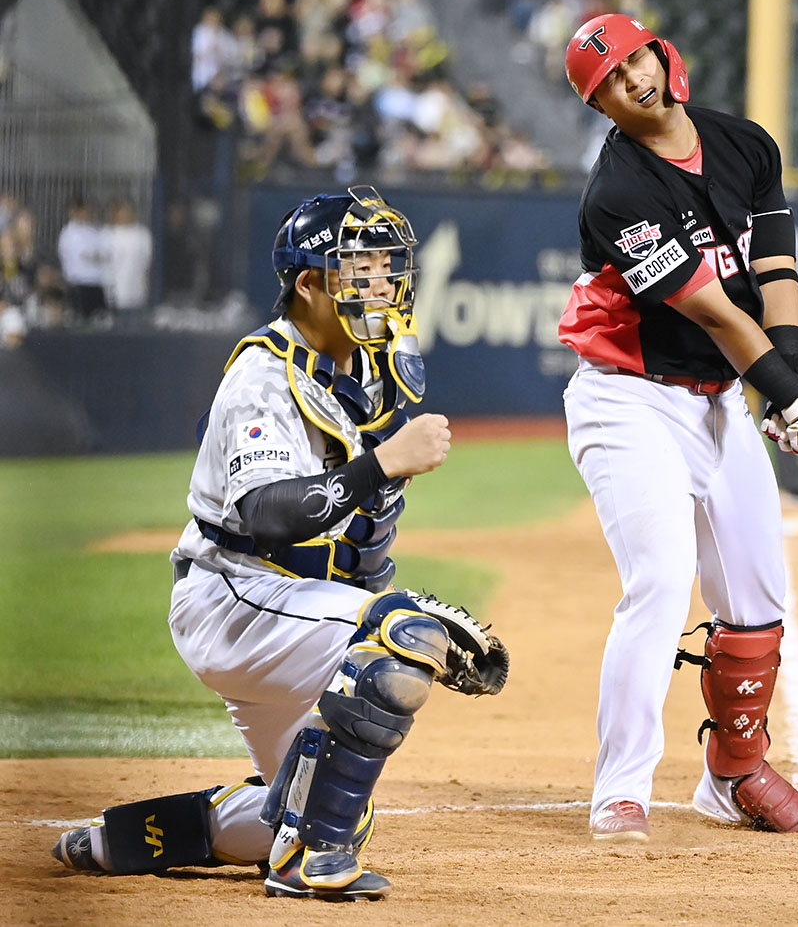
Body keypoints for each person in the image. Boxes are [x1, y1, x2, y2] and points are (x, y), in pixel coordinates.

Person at [50, 185, 509, 900]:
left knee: (311, 804)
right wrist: (382, 465)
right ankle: (306, 865)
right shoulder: (264, 376)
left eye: (389, 265)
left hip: (282, 602)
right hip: (232, 593)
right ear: (310, 283)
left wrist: (369, 598)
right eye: (364, 268)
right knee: (402, 640)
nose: (385, 282)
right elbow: (266, 515)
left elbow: (353, 544)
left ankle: (122, 838)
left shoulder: (366, 369)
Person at [559, 14, 798, 842]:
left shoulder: (745, 144)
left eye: (633, 60)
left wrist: (793, 384)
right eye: (607, 82)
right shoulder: (619, 190)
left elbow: (776, 270)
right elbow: (715, 309)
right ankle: (622, 787)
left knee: (756, 591)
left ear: (660, 52)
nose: (631, 82)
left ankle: (734, 775)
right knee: (661, 578)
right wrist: (785, 397)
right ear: (600, 105)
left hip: (717, 400)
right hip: (628, 398)